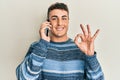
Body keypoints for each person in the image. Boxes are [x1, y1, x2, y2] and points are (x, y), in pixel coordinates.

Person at [16, 2, 104, 80]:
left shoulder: (80, 49)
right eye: (54, 18)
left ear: (68, 21)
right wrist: (43, 44)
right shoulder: (37, 47)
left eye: (64, 18)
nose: (60, 23)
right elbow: (24, 78)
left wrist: (90, 57)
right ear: (48, 22)